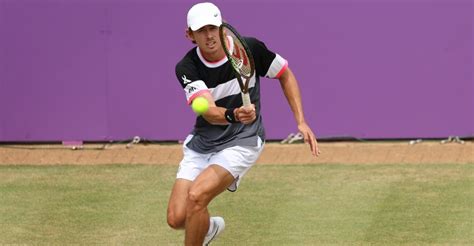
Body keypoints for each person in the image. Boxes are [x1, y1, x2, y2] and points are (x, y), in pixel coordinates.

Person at [167, 2, 320, 245]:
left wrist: (301, 121)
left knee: (196, 197)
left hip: (243, 140)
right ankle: (208, 228)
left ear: (223, 26)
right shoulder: (186, 67)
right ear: (190, 35)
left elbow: (285, 74)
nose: (209, 35)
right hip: (204, 141)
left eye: (213, 28)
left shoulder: (250, 48)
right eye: (201, 30)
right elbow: (208, 111)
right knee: (176, 218)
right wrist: (234, 114)